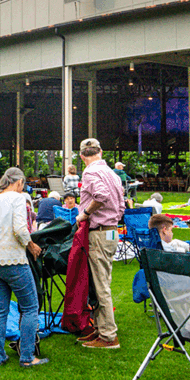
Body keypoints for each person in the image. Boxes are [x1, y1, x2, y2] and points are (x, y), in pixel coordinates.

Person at [0, 167, 46, 367]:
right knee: (30, 307)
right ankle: (27, 356)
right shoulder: (18, 198)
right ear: (18, 182)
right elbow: (20, 228)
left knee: (0, 309)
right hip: (13, 260)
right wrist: (31, 245)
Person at [76, 138, 126, 349]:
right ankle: (99, 328)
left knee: (100, 285)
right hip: (111, 232)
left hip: (99, 232)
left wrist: (85, 214)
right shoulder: (112, 174)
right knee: (100, 282)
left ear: (81, 156)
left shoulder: (89, 172)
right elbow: (122, 205)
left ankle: (108, 336)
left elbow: (102, 196)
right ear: (101, 152)